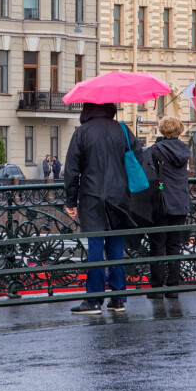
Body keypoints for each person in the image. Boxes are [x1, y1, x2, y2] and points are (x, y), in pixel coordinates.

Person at [64, 102, 141, 315]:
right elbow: (139, 159)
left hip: (91, 197)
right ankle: (118, 299)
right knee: (116, 249)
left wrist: (71, 201)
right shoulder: (123, 129)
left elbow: (71, 170)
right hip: (120, 197)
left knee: (96, 249)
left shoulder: (82, 132)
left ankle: (93, 300)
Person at [144, 117, 191, 299]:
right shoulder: (185, 149)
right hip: (180, 202)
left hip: (161, 202)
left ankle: (157, 287)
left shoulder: (156, 150)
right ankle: (173, 287)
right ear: (179, 130)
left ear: (163, 131)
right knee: (174, 246)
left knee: (157, 245)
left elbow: (146, 168)